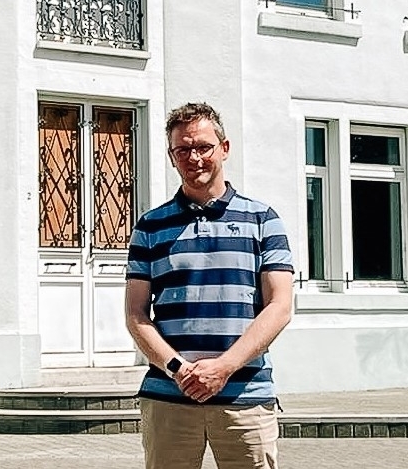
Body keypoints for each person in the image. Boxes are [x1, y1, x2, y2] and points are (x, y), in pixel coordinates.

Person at [125, 102, 295, 469]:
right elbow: (136, 314)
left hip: (245, 397)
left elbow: (280, 306)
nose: (194, 157)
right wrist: (178, 369)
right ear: (171, 157)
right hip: (169, 397)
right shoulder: (150, 227)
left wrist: (224, 367)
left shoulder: (263, 219)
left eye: (203, 147)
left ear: (224, 148)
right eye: (182, 150)